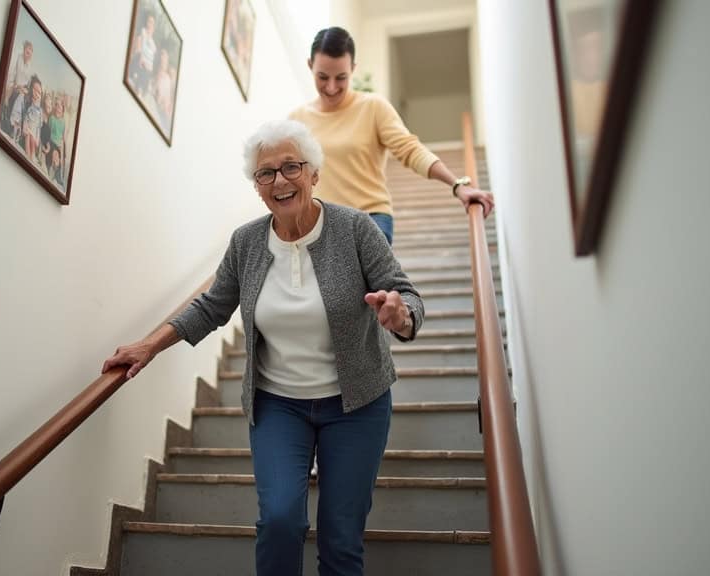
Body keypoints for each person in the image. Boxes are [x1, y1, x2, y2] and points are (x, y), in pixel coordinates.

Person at [102, 119, 424, 576]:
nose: (279, 180)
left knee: (341, 536)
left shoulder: (355, 228)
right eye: (265, 173)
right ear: (257, 187)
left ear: (314, 173)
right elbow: (213, 306)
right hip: (279, 406)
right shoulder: (247, 242)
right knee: (279, 521)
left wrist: (400, 315)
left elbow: (406, 294)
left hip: (357, 405)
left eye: (291, 167)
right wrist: (149, 346)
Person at [289, 26, 495, 244]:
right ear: (310, 66)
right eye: (322, 77)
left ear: (353, 68)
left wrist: (457, 185)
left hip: (369, 220)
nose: (331, 87)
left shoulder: (373, 107)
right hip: (318, 227)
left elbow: (410, 149)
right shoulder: (297, 120)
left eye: (341, 77)